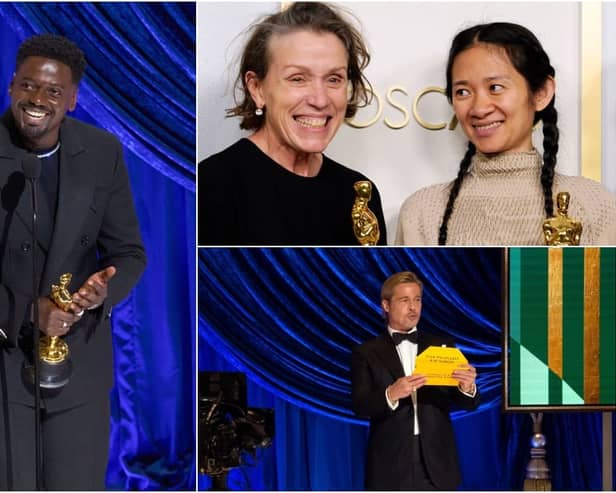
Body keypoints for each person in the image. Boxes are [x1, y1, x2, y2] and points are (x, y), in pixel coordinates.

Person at [0, 34, 146, 489]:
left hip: (77, 366)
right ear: (11, 88)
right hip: (3, 370)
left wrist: (99, 294)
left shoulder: (102, 153)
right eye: (28, 86)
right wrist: (27, 310)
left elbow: (129, 253)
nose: (37, 100)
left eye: (53, 91)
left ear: (73, 100)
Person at [396, 22, 616, 245]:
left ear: (541, 93)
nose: (480, 108)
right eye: (463, 92)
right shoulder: (422, 212)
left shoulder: (594, 205)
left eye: (495, 88)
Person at [198, 2, 387, 246]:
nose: (320, 100)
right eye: (298, 79)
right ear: (257, 88)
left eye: (334, 79)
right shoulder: (212, 185)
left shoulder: (359, 192)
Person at [351, 271, 479, 490]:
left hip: (437, 465)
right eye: (404, 300)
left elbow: (469, 403)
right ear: (386, 305)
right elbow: (360, 406)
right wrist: (391, 393)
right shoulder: (366, 352)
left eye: (417, 300)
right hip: (389, 465)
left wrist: (467, 386)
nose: (413, 307)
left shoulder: (442, 345)